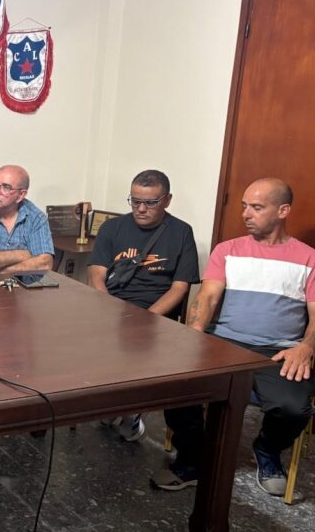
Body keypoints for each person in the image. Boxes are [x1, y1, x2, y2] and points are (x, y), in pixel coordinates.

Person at [152, 178, 315, 495]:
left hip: (278, 351)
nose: (246, 214)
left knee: (293, 409)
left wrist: (306, 346)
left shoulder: (308, 258)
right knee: (174, 387)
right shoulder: (228, 251)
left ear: (283, 211)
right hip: (224, 342)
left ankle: (267, 449)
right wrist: (196, 332)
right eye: (243, 206)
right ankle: (196, 458)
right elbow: (208, 298)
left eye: (256, 207)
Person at [87, 170, 200, 441]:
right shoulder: (112, 227)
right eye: (134, 201)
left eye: (150, 202)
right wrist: (107, 307)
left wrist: (146, 318)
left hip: (155, 313)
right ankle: (109, 401)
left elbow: (180, 287)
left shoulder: (181, 232)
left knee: (136, 344)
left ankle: (131, 406)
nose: (140, 208)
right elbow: (96, 273)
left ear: (167, 200)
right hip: (112, 306)